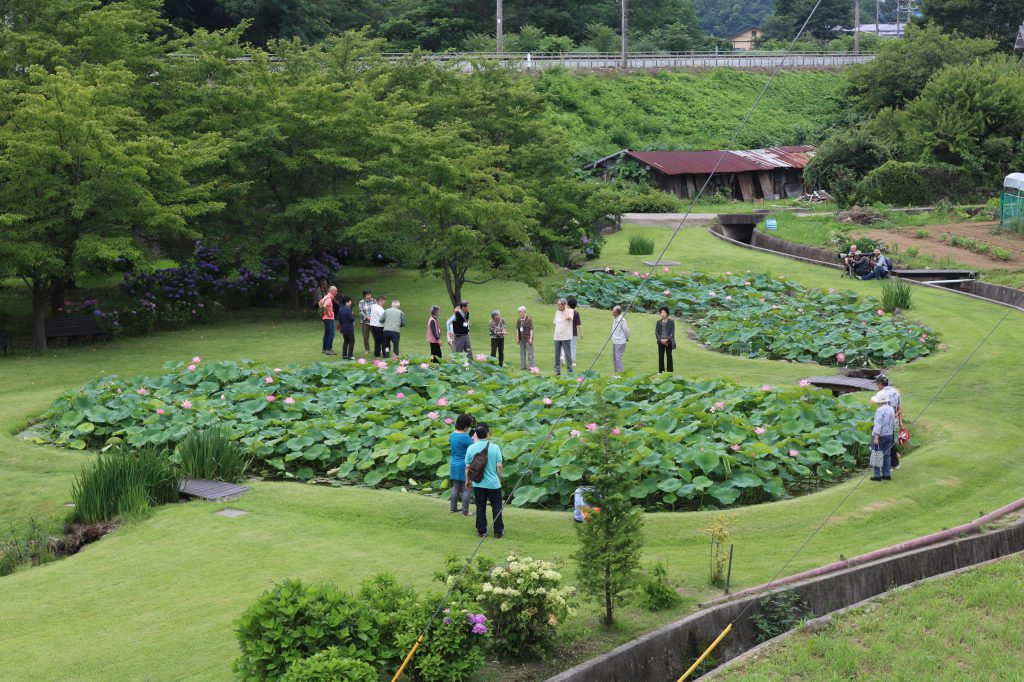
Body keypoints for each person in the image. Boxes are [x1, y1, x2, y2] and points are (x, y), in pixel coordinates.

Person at [465, 423, 503, 538]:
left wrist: (468, 480)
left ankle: (482, 531)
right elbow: (499, 466)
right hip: (493, 484)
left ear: (476, 434)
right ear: (488, 434)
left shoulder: (471, 448)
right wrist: (499, 479)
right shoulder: (495, 447)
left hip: (478, 482)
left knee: (480, 507)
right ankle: (498, 532)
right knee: (496, 507)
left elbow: (467, 466)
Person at [448, 414, 475, 515]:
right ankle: (465, 511)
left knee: (456, 487)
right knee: (467, 488)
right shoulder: (465, 437)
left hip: (454, 463)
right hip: (464, 465)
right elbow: (474, 447)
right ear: (466, 426)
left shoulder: (452, 435)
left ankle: (453, 507)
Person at [876, 374, 903, 469]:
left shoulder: (882, 394)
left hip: (886, 421)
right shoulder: (895, 391)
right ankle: (895, 463)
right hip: (894, 419)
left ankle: (888, 466)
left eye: (877, 384)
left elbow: (883, 409)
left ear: (880, 383)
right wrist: (900, 420)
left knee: (884, 442)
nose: (876, 386)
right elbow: (900, 406)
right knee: (890, 441)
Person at [869, 392, 896, 481]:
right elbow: (893, 422)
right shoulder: (891, 409)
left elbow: (878, 424)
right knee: (887, 455)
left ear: (879, 401)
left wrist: (876, 436)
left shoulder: (879, 410)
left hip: (880, 436)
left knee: (876, 454)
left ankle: (877, 476)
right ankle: (886, 474)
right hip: (889, 435)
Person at [553, 298, 574, 375]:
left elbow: (567, 317)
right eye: (557, 304)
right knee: (557, 354)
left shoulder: (570, 311)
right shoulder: (557, 312)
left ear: (564, 305)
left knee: (567, 354)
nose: (557, 306)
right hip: (557, 337)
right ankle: (557, 370)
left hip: (566, 337)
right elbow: (555, 323)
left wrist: (565, 308)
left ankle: (570, 370)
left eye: (559, 304)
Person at [655, 306, 676, 373]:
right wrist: (660, 340)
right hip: (660, 342)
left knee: (669, 357)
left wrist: (667, 339)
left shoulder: (671, 322)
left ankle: (669, 372)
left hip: (668, 342)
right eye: (661, 312)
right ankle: (661, 372)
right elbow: (656, 332)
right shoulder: (658, 322)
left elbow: (672, 333)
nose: (662, 314)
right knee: (661, 357)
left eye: (664, 312)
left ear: (667, 313)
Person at [318, 285, 337, 355]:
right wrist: (328, 312)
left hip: (325, 318)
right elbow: (325, 305)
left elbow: (319, 303)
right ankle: (329, 349)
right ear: (332, 291)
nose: (336, 292)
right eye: (335, 291)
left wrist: (324, 312)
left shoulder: (325, 296)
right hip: (329, 318)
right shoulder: (329, 299)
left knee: (327, 333)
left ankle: (324, 348)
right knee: (332, 333)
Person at [611, 305, 630, 374]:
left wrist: (627, 338)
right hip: (615, 341)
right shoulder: (615, 319)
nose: (612, 312)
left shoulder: (621, 320)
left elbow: (626, 330)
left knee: (618, 358)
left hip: (620, 342)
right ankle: (616, 373)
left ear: (616, 312)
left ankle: (620, 374)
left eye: (613, 311)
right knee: (615, 358)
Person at [337, 296, 356, 360]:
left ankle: (344, 355)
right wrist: (352, 315)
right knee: (351, 341)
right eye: (350, 301)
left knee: (345, 341)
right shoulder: (348, 309)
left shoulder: (340, 309)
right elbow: (351, 319)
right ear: (347, 302)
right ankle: (350, 356)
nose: (351, 303)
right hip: (349, 328)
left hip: (343, 328)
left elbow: (339, 319)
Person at [567, 296, 582, 364]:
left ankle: (562, 356)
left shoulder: (566, 312)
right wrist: (581, 334)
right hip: (573, 332)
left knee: (565, 345)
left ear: (568, 304)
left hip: (565, 332)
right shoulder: (576, 313)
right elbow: (578, 325)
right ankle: (572, 361)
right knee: (573, 347)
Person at [358, 290, 374, 354]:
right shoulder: (361, 302)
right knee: (365, 337)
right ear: (364, 295)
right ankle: (367, 349)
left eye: (370, 294)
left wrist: (373, 317)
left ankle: (378, 348)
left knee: (376, 336)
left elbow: (376, 309)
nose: (369, 296)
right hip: (364, 322)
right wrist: (367, 317)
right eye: (367, 295)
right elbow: (360, 311)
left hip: (373, 322)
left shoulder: (374, 301)